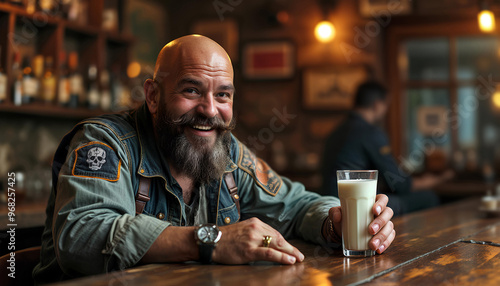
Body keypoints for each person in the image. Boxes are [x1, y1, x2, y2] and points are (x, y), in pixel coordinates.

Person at [33, 36, 395, 283]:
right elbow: (80, 236)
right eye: (191, 90)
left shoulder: (229, 152)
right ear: (153, 95)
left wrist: (334, 222)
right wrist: (213, 240)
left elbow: (297, 204)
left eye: (223, 95)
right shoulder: (105, 142)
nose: (209, 110)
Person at [321, 81, 453, 216]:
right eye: (386, 105)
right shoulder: (370, 132)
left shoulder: (336, 132)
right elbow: (398, 184)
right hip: (355, 207)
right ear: (377, 105)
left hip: (329, 205)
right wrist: (436, 179)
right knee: (429, 198)